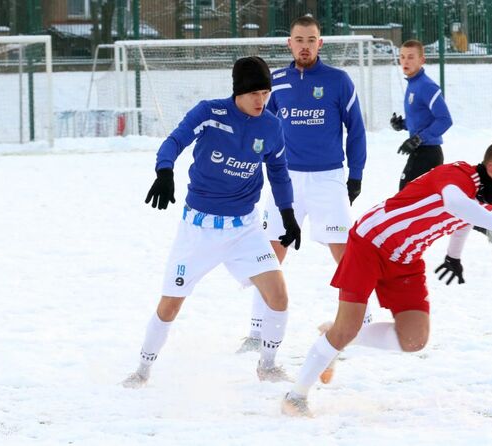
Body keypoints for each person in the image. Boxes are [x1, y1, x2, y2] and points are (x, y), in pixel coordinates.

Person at [281, 139, 492, 416]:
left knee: (414, 339)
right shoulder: (457, 175)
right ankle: (295, 397)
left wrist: (454, 256)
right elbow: (456, 203)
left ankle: (334, 335)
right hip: (370, 242)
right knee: (347, 327)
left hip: (406, 257)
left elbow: (467, 217)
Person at [122, 56, 301, 388]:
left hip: (245, 229)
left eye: (265, 92)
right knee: (170, 305)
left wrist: (288, 214)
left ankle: (268, 366)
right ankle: (142, 371)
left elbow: (278, 171)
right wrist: (164, 170)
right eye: (254, 94)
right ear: (238, 92)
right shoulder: (210, 113)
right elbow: (175, 140)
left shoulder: (272, 126)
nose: (261, 100)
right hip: (198, 230)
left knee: (278, 295)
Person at [236, 15, 370, 354]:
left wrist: (355, 175)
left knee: (345, 255)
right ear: (289, 43)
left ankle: (364, 324)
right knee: (269, 254)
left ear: (320, 43)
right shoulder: (275, 82)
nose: (305, 46)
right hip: (287, 181)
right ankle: (256, 331)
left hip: (328, 179)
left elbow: (356, 130)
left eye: (311, 40)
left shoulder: (339, 81)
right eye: (299, 39)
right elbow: (259, 126)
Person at [390, 39, 453, 191]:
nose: (405, 61)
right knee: (415, 202)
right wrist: (403, 124)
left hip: (428, 153)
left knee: (405, 198)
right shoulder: (413, 84)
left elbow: (445, 120)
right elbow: (422, 119)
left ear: (422, 60)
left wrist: (418, 139)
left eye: (411, 57)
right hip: (421, 151)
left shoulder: (426, 86)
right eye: (402, 57)